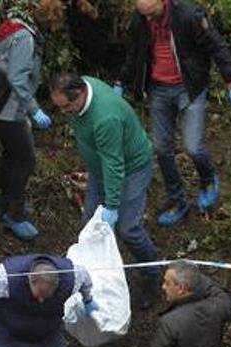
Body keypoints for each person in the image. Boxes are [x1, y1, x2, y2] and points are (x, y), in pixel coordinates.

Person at [117, 0, 231, 228]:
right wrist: (121, 81)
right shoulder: (141, 18)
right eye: (144, 15)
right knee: (161, 148)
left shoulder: (189, 15)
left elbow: (217, 45)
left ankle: (208, 180)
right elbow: (135, 52)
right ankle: (177, 201)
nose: (148, 19)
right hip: (158, 88)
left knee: (193, 146)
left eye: (151, 14)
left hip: (189, 87)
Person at [48, 73, 161, 309]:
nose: (64, 113)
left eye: (67, 107)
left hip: (132, 167)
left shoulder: (104, 118)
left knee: (128, 228)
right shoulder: (82, 87)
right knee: (90, 224)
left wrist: (111, 205)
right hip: (101, 168)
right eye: (59, 108)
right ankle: (97, 279)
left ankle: (152, 273)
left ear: (80, 94)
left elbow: (114, 165)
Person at [0, 4, 52, 241]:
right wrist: (34, 110)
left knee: (11, 156)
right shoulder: (24, 37)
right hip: (10, 110)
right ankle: (14, 215)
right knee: (25, 160)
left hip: (3, 106)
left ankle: (5, 204)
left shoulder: (11, 26)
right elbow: (17, 77)